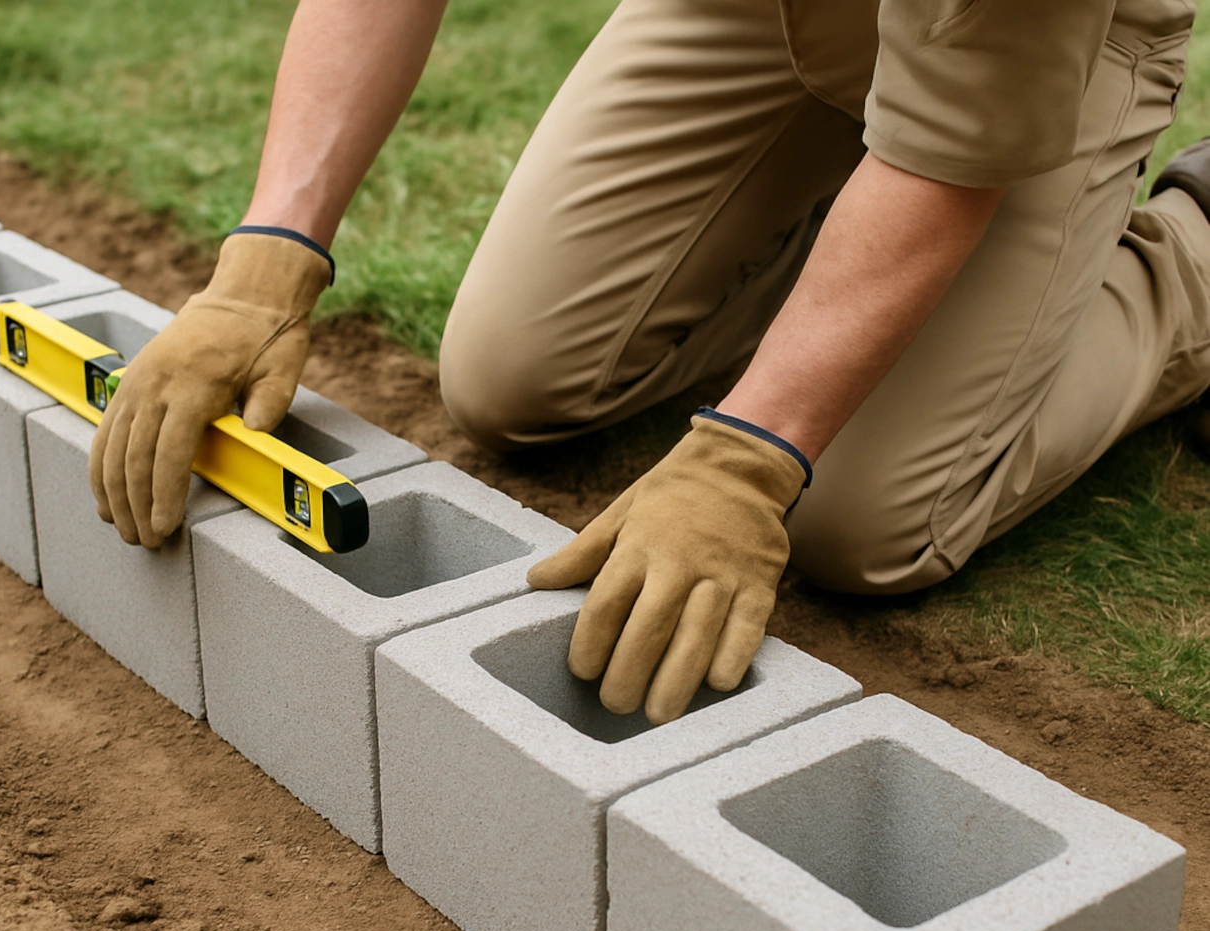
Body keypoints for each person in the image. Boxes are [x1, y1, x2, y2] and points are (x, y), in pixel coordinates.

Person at [88, 0, 1210, 726]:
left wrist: (746, 460)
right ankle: (856, 259)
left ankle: (1189, 249)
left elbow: (951, 153)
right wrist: (265, 262)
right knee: (514, 381)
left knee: (863, 525)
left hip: (1033, 41)